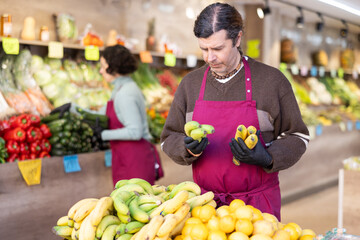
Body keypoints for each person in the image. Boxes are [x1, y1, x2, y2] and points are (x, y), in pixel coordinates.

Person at [160, 2, 309, 220]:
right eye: (204, 48)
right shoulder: (190, 84)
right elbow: (168, 137)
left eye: (218, 49)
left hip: (257, 208)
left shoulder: (271, 81)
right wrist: (186, 148)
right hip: (205, 206)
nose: (209, 57)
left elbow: (298, 136)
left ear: (237, 39)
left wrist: (267, 156)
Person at [52, 45, 163, 186]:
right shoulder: (120, 89)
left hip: (135, 161)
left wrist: (103, 134)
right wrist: (72, 108)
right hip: (126, 158)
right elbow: (100, 114)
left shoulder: (126, 94)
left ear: (114, 68)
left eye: (103, 66)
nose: (100, 71)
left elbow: (135, 132)